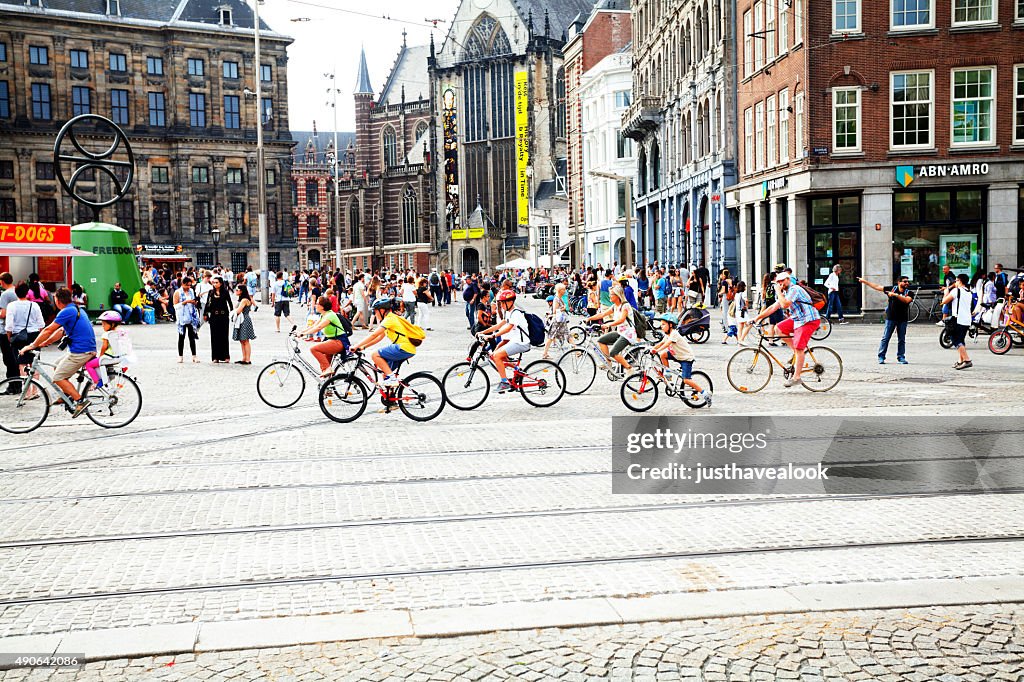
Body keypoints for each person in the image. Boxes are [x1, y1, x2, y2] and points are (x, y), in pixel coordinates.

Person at [20, 288, 97, 417]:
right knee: (56, 365)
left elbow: (48, 329)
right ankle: (67, 394)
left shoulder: (66, 311)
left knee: (58, 378)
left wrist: (32, 345)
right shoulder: (77, 309)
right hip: (85, 349)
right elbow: (61, 331)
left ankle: (80, 401)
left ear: (57, 300)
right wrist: (46, 342)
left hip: (81, 352)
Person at [752, 272, 821, 388]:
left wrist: (778, 292)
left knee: (799, 348)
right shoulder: (785, 292)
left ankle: (797, 377)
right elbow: (773, 307)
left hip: (808, 320)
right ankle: (797, 353)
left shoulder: (794, 289)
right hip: (797, 319)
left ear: (788, 280)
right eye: (778, 282)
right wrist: (756, 318)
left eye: (782, 281)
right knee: (779, 328)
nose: (780, 284)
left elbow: (784, 305)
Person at [350, 298, 418, 388]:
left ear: (382, 310)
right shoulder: (390, 318)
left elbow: (373, 335)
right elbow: (378, 338)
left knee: (375, 355)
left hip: (403, 348)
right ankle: (390, 399)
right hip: (407, 348)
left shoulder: (389, 319)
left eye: (375, 311)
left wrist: (356, 345)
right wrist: (364, 347)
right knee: (386, 374)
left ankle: (392, 379)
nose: (375, 314)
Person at [649, 312, 712, 406]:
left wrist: (656, 351)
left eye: (663, 324)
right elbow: (662, 343)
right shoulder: (668, 334)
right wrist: (652, 348)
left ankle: (705, 393)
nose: (661, 326)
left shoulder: (674, 334)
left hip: (685, 358)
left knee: (686, 380)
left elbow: (667, 344)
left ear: (670, 325)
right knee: (663, 355)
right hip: (676, 355)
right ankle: (668, 375)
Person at [477, 289, 533, 394]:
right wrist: (483, 332)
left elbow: (507, 329)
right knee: (495, 356)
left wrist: (492, 336)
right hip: (515, 341)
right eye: (501, 302)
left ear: (510, 302)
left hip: (521, 343)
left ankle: (505, 382)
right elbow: (498, 326)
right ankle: (516, 369)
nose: (501, 305)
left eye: (503, 302)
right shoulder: (508, 313)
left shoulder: (516, 314)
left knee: (497, 356)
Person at [859, 275, 912, 364]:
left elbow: (907, 300)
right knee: (886, 338)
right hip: (891, 318)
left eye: (907, 281)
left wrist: (895, 295)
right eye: (905, 281)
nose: (907, 283)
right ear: (899, 282)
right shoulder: (892, 289)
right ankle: (881, 356)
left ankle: (901, 357)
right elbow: (877, 287)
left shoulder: (909, 292)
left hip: (902, 318)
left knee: (901, 339)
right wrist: (865, 282)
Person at [585, 286, 637, 377]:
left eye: (611, 294)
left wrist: (609, 324)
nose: (609, 296)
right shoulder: (614, 306)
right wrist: (589, 318)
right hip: (620, 332)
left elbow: (621, 319)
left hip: (628, 334)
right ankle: (608, 363)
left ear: (617, 295)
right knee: (601, 340)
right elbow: (602, 314)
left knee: (613, 352)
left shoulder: (625, 305)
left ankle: (629, 368)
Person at [4, 281, 45, 394]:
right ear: (27, 292)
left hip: (18, 337)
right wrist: (40, 339)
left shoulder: (11, 306)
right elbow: (41, 324)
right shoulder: (34, 305)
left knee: (21, 364)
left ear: (16, 293)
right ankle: (35, 391)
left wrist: (9, 337)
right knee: (34, 363)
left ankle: (26, 392)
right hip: (33, 336)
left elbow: (9, 326)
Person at [296, 296, 351, 376]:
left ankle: (328, 369)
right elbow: (313, 326)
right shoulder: (323, 315)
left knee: (314, 349)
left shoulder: (330, 315)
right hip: (332, 340)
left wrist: (303, 334)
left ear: (322, 307)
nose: (315, 305)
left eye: (317, 304)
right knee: (324, 365)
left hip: (339, 341)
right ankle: (327, 384)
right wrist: (301, 331)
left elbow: (318, 328)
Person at [83, 311, 124, 387]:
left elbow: (104, 347)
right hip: (118, 356)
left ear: (112, 324)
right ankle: (109, 377)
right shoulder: (119, 332)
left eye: (104, 324)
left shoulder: (107, 334)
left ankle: (97, 381)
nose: (102, 326)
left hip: (109, 357)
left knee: (88, 365)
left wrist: (100, 356)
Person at [942, 273, 973, 370]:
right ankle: (961, 360)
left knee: (955, 340)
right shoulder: (969, 292)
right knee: (961, 339)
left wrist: (946, 292)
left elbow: (944, 301)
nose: (955, 283)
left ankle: (967, 360)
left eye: (956, 281)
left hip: (958, 319)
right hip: (967, 319)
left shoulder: (956, 291)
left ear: (959, 281)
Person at [204, 276, 233, 363]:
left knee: (224, 336)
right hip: (214, 316)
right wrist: (205, 313)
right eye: (213, 282)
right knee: (214, 336)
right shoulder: (211, 292)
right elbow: (207, 303)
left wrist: (232, 313)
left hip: (223, 316)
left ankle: (225, 356)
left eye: (216, 282)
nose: (215, 284)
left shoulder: (225, 292)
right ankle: (215, 357)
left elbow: (230, 303)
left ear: (220, 283)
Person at [173, 277, 201, 364]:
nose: (188, 287)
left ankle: (194, 356)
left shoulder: (191, 291)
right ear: (182, 284)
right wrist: (185, 302)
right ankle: (180, 356)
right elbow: (175, 306)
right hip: (182, 317)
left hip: (191, 316)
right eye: (186, 285)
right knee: (181, 337)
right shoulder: (177, 292)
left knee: (192, 337)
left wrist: (195, 302)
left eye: (190, 285)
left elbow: (194, 302)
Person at [0, 273, 18, 390]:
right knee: (14, 358)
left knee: (8, 359)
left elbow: (3, 314)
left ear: (2, 281)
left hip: (5, 330)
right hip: (17, 329)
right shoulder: (16, 291)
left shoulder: (5, 294)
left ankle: (12, 385)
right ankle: (17, 384)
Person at [232, 284, 256, 364]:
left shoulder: (244, 300)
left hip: (243, 320)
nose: (236, 291)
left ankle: (247, 359)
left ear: (241, 291)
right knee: (242, 340)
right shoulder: (243, 299)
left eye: (237, 290)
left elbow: (238, 310)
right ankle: (244, 358)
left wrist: (233, 312)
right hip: (244, 319)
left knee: (245, 340)